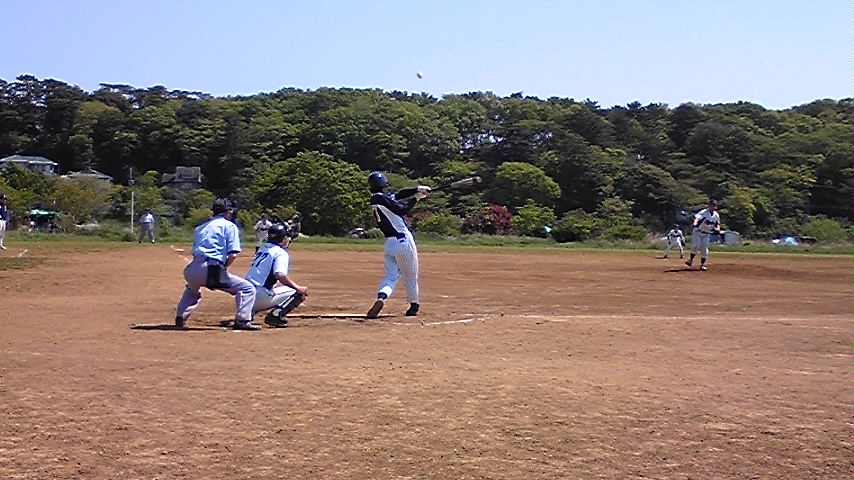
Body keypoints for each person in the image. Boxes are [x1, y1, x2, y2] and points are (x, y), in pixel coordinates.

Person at [175, 198, 259, 330]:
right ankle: (242, 320)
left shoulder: (201, 227)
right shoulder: (229, 226)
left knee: (192, 290)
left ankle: (180, 317)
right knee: (247, 289)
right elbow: (233, 254)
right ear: (229, 212)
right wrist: (223, 268)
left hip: (192, 269)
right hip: (211, 268)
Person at [364, 171, 431, 318]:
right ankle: (414, 306)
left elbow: (399, 194)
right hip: (403, 242)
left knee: (391, 276)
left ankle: (382, 297)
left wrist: (417, 189)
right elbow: (403, 210)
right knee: (410, 276)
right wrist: (416, 199)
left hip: (389, 244)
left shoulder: (377, 199)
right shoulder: (382, 199)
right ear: (384, 184)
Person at [245, 223, 308, 328]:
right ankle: (276, 315)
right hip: (258, 296)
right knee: (298, 292)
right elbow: (280, 275)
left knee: (268, 287)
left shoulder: (262, 249)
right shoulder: (280, 252)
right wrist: (298, 287)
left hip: (243, 296)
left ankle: (247, 313)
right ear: (283, 238)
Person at [686, 199, 722, 271]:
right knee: (696, 245)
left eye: (713, 205)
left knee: (704, 250)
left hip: (707, 234)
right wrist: (695, 223)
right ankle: (690, 260)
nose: (712, 207)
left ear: (716, 207)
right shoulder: (704, 212)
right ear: (708, 206)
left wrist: (718, 229)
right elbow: (697, 218)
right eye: (710, 205)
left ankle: (702, 265)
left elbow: (717, 223)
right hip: (698, 232)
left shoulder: (716, 215)